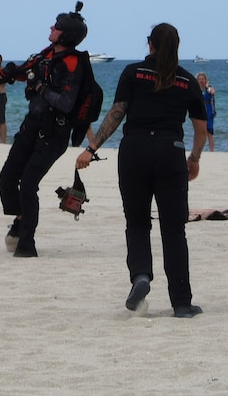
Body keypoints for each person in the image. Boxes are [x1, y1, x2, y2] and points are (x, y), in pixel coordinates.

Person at [77, 23, 208, 317]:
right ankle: (182, 304)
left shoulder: (133, 73)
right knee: (174, 229)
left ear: (149, 44)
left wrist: (91, 149)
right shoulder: (187, 81)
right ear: (177, 47)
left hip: (134, 151)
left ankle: (141, 277)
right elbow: (201, 129)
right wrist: (194, 159)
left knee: (137, 222)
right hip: (170, 152)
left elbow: (117, 113)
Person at [0, 3, 91, 258]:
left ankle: (26, 245)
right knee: (5, 180)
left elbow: (66, 103)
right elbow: (28, 73)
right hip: (31, 127)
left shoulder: (73, 64)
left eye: (57, 27)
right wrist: (13, 73)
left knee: (28, 184)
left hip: (53, 135)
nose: (51, 27)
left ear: (66, 35)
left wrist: (38, 87)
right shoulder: (47, 54)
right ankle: (19, 219)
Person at [199, 72, 217, 151]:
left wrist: (207, 87)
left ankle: (211, 150)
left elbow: (213, 92)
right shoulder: (196, 89)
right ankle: (199, 149)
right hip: (200, 110)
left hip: (209, 111)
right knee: (200, 132)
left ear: (205, 80)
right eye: (199, 79)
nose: (201, 80)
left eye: (203, 79)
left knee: (209, 132)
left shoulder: (209, 88)